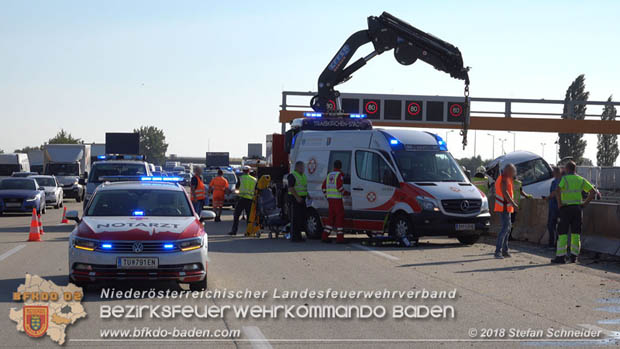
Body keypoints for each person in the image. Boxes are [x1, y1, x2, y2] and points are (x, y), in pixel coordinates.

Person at [551, 161, 595, 264]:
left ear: (567, 169)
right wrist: (584, 203)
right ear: (575, 169)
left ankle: (561, 257)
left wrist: (559, 204)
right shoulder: (580, 179)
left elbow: (557, 190)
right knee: (576, 233)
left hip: (565, 209)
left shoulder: (565, 179)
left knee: (562, 233)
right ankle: (574, 257)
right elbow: (592, 191)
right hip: (577, 209)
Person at [493, 163, 518, 259]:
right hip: (503, 208)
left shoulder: (506, 178)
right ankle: (498, 251)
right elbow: (505, 193)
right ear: (508, 171)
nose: (514, 173)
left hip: (505, 207)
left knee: (507, 229)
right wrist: (513, 204)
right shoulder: (503, 179)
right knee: (505, 229)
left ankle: (504, 250)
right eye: (513, 171)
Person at [321, 160, 348, 243]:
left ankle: (325, 236)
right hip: (337, 200)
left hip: (330, 200)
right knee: (339, 217)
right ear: (340, 166)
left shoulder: (329, 175)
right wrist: (346, 193)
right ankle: (340, 238)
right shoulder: (339, 175)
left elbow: (323, 187)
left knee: (331, 218)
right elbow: (339, 187)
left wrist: (327, 196)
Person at [228, 166, 256, 235]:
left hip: (241, 199)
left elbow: (237, 188)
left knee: (236, 215)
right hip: (250, 200)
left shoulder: (241, 178)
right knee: (249, 216)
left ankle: (234, 231)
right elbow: (256, 190)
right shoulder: (254, 179)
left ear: (243, 171)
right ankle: (249, 231)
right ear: (249, 171)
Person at [287, 161, 308, 242]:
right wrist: (297, 197)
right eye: (302, 167)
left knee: (301, 218)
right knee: (295, 219)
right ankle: (295, 237)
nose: (303, 169)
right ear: (297, 167)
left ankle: (299, 236)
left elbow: (303, 187)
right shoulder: (292, 176)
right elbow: (291, 188)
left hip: (302, 199)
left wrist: (308, 195)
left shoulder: (303, 176)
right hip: (294, 199)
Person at [544, 167, 562, 248]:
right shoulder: (556, 181)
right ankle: (554, 243)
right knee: (553, 225)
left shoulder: (558, 181)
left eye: (553, 172)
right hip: (554, 206)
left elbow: (555, 192)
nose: (552, 173)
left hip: (556, 206)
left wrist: (548, 198)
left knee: (552, 225)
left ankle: (553, 243)